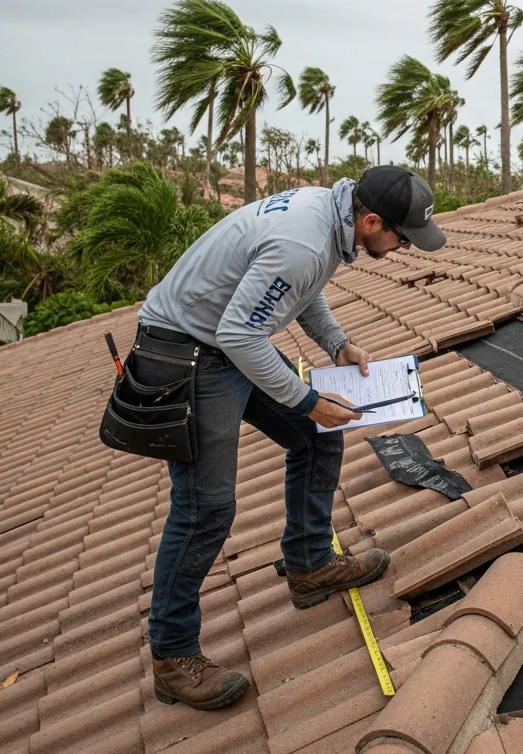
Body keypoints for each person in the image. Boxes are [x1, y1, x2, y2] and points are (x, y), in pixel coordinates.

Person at [132, 166, 447, 710]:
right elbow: (240, 332)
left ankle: (309, 563)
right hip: (191, 352)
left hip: (227, 340)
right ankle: (172, 656)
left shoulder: (328, 215)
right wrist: (306, 400)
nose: (402, 249)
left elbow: (302, 290)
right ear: (371, 221)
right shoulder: (302, 241)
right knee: (205, 508)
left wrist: (338, 344)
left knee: (318, 436)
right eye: (401, 238)